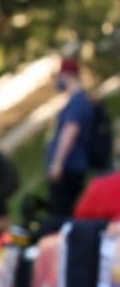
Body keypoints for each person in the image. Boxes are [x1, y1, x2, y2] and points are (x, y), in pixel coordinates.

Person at [48, 57, 95, 217]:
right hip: (73, 166)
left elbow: (70, 131)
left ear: (67, 75)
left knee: (62, 212)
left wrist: (57, 163)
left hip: (70, 167)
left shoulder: (78, 101)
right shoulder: (80, 100)